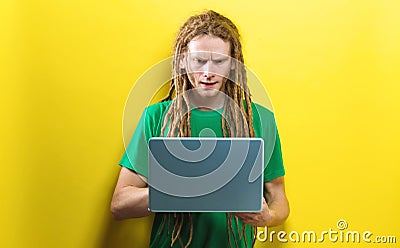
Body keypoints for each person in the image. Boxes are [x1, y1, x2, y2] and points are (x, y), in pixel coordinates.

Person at [110, 10, 289, 248]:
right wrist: (175, 191)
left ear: (233, 65)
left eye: (219, 61)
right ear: (183, 61)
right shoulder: (157, 116)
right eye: (199, 60)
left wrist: (268, 217)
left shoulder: (260, 118)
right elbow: (120, 204)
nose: (208, 72)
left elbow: (279, 199)